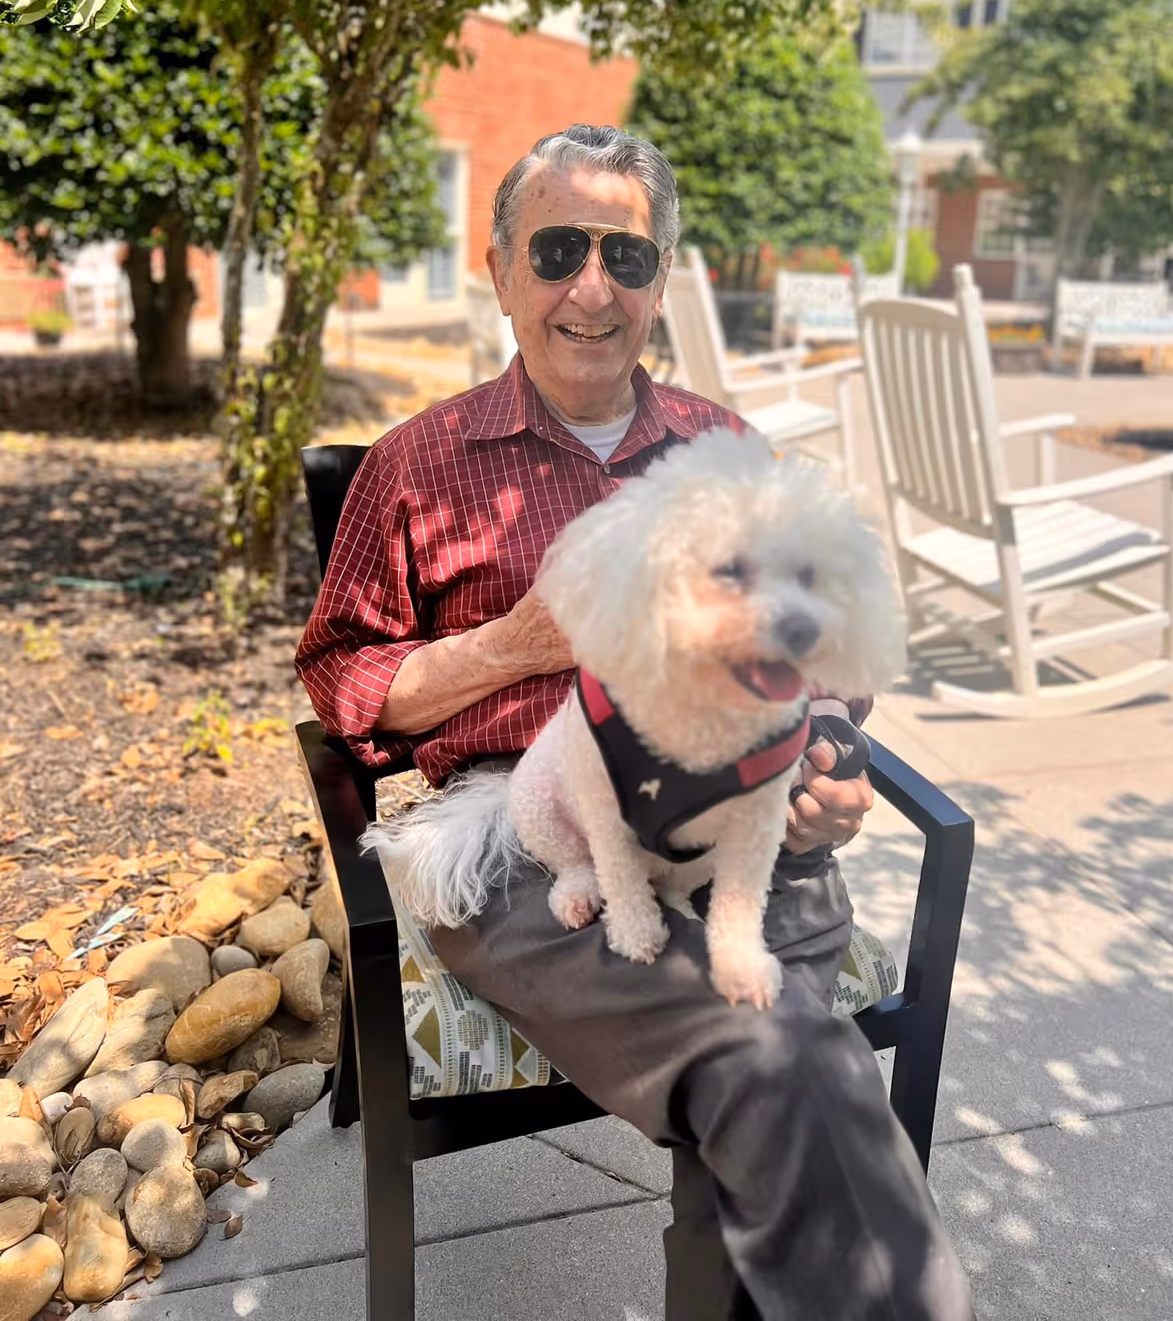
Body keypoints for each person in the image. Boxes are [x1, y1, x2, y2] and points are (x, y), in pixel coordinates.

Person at [296, 125, 974, 1321]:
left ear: (661, 279)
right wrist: (509, 648)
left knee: (768, 1066)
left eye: (628, 254)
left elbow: (818, 658)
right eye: (558, 249)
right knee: (778, 1055)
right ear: (502, 273)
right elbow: (343, 685)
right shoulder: (417, 464)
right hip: (534, 840)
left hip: (735, 815)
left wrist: (828, 766)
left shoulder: (730, 450)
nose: (591, 286)